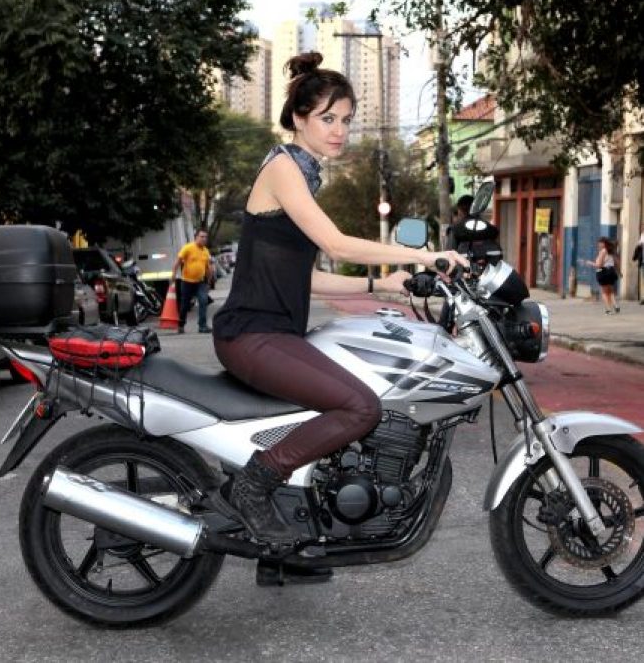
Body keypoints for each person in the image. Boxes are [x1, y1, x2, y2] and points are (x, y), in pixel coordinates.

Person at [211, 51, 468, 546]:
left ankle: (294, 542)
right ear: (299, 118)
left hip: (273, 334)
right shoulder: (282, 167)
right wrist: (424, 256)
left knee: (348, 395)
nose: (339, 131)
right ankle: (253, 486)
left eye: (346, 120)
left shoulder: (302, 173)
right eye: (327, 118)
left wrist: (380, 285)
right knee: (360, 408)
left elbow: (304, 279)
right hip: (252, 335)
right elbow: (336, 245)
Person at [171, 229, 213, 333]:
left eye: (205, 237)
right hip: (187, 282)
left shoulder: (206, 251)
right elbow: (178, 261)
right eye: (201, 237)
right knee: (185, 304)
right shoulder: (188, 248)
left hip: (200, 282)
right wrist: (173, 274)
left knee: (203, 301)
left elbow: (208, 267)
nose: (204, 239)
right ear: (196, 237)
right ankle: (181, 325)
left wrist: (209, 280)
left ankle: (202, 326)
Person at [583, 237, 620, 314]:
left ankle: (608, 310)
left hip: (604, 272)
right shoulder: (611, 251)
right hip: (611, 271)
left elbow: (599, 265)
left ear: (604, 244)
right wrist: (618, 271)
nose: (598, 245)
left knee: (604, 292)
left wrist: (589, 263)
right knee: (610, 291)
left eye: (600, 243)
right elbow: (616, 262)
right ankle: (615, 305)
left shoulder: (603, 251)